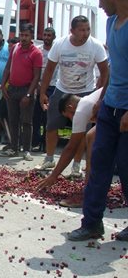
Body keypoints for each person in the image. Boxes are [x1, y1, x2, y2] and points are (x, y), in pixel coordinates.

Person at [68, 0, 128, 241]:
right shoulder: (111, 22)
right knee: (98, 165)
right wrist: (103, 98)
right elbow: (114, 67)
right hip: (110, 107)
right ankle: (92, 223)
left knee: (126, 168)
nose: (100, 5)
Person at [38, 15, 108, 173]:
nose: (86, 32)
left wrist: (100, 94)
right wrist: (42, 92)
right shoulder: (60, 44)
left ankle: (76, 165)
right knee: (51, 125)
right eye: (82, 30)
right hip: (62, 89)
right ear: (72, 31)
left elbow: (105, 71)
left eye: (88, 29)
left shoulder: (95, 46)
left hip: (86, 91)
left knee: (82, 129)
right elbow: (49, 69)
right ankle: (49, 159)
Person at [36, 88, 103, 207]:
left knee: (92, 140)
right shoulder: (88, 101)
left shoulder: (80, 111)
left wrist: (53, 176)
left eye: (68, 117)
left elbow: (71, 148)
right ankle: (94, 188)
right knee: (91, 135)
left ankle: (88, 194)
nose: (71, 120)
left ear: (70, 107)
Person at [0, 23, 43, 161]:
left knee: (26, 122)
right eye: (22, 35)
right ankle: (14, 147)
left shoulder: (36, 53)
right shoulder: (15, 48)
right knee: (13, 120)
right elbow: (8, 68)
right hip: (12, 89)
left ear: (32, 36)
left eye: (26, 35)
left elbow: (37, 76)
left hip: (26, 90)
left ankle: (26, 150)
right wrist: (3, 85)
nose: (23, 38)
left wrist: (29, 95)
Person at [32, 27, 59, 152]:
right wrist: (37, 85)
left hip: (53, 87)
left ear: (54, 37)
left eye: (49, 35)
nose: (47, 37)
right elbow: (33, 70)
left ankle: (46, 144)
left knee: (48, 118)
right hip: (38, 86)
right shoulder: (38, 51)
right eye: (45, 35)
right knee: (36, 117)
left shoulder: (57, 51)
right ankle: (36, 143)